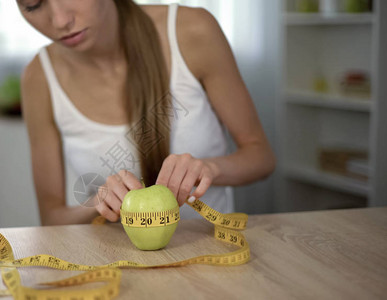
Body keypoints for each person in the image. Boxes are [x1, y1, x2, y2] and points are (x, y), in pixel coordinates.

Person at [18, 0, 275, 226]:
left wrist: (210, 168)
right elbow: (52, 218)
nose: (60, 20)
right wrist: (97, 204)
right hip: (117, 268)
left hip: (208, 257)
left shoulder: (192, 31)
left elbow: (261, 157)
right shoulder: (39, 77)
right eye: (32, 5)